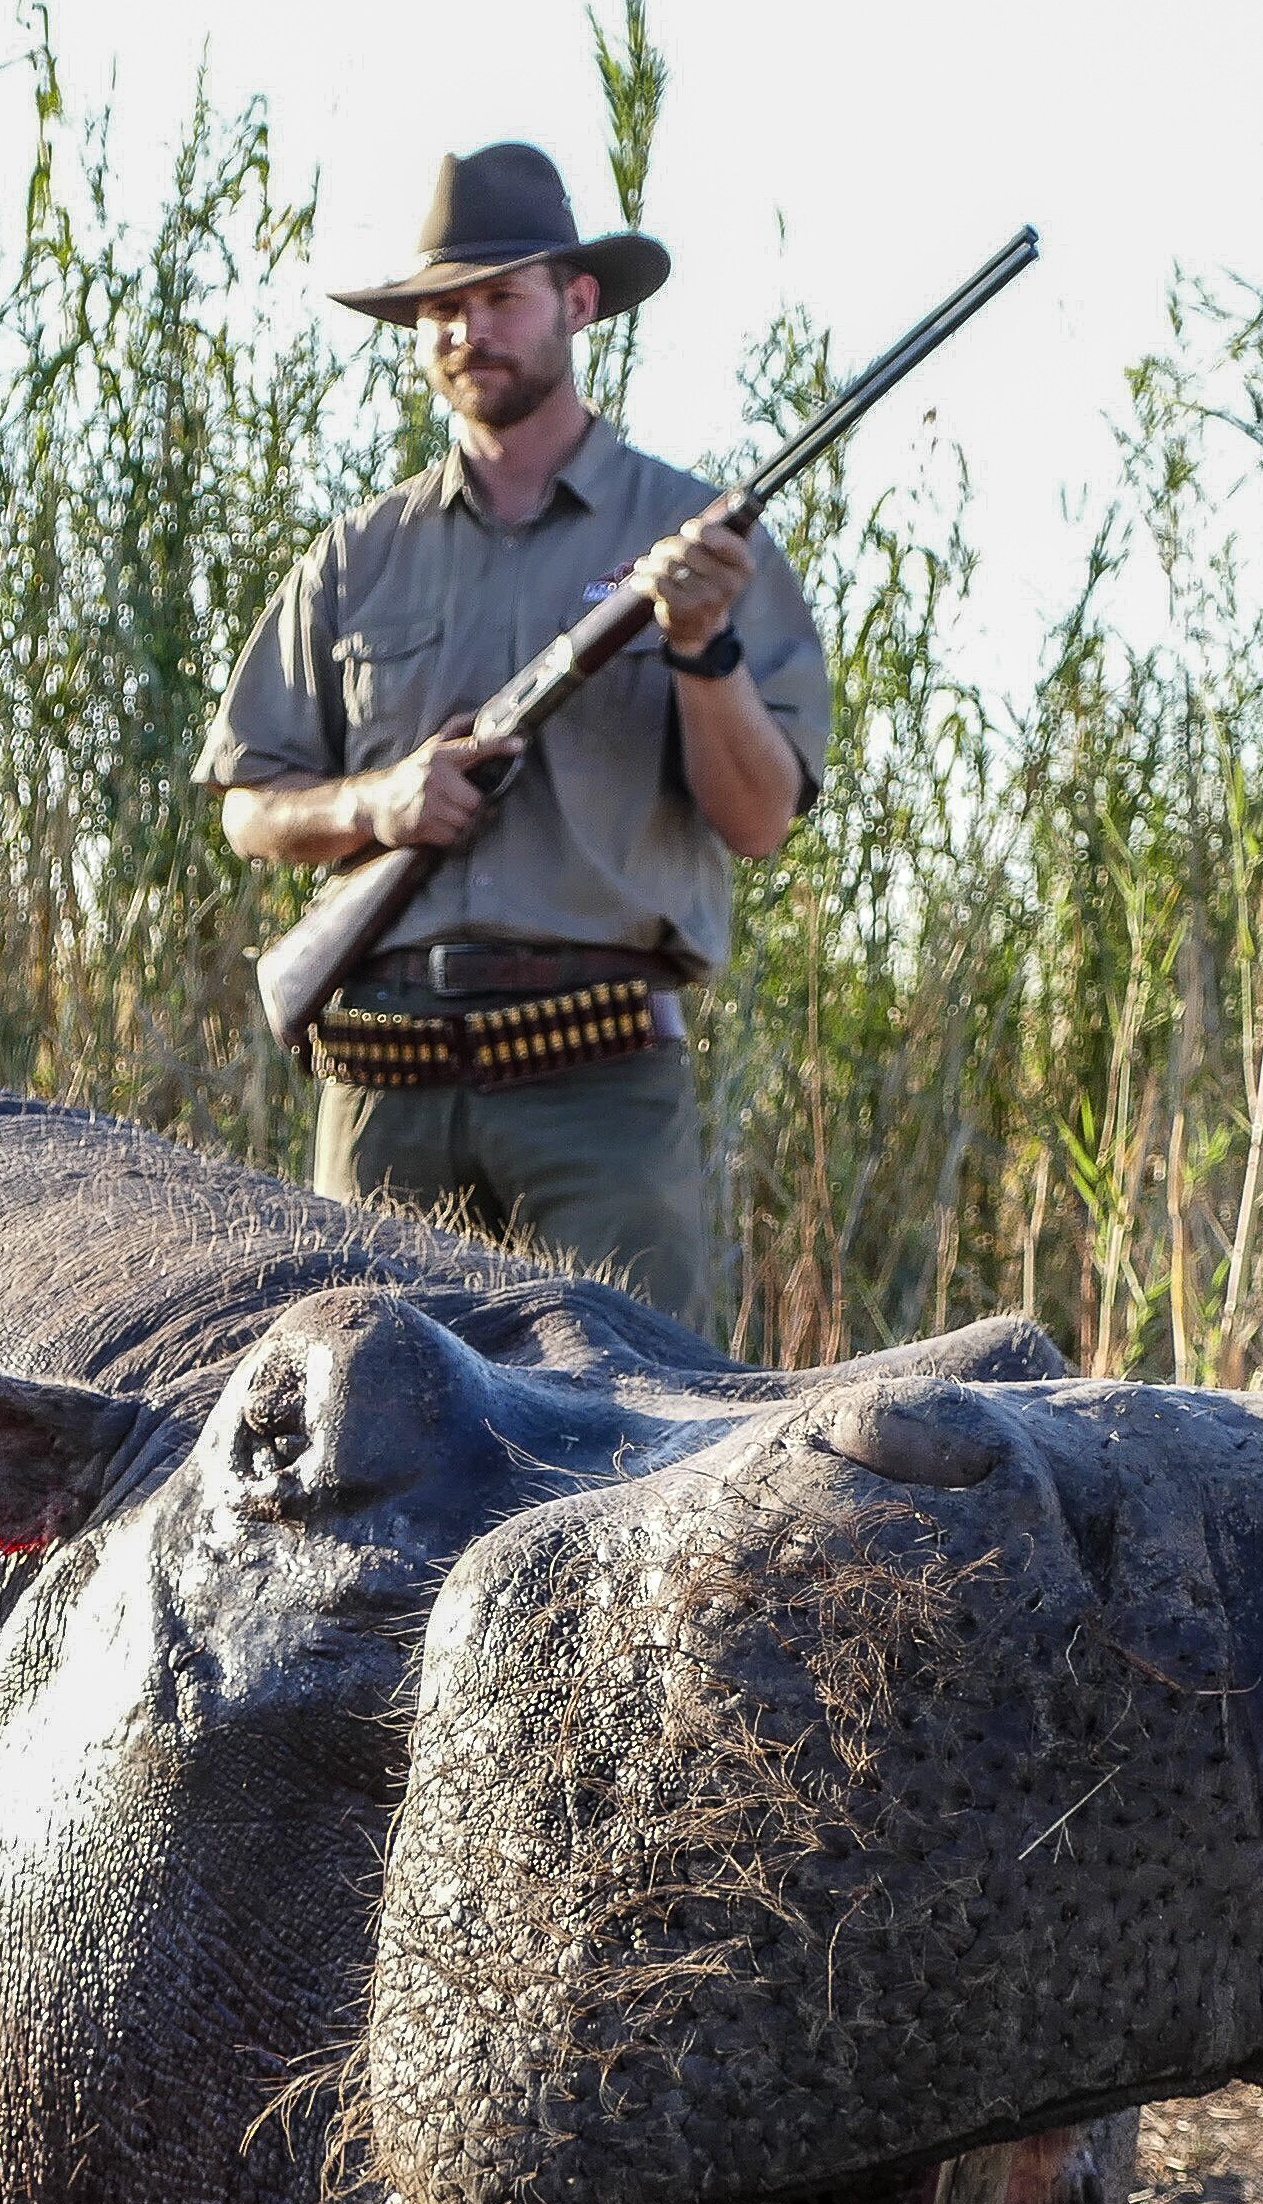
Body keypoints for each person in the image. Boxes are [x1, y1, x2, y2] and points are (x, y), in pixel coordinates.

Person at [199, 141, 833, 1325]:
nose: (467, 332)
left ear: (577, 302)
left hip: (595, 1076)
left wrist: (701, 643)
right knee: (351, 1450)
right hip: (384, 1075)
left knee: (646, 1443)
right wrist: (377, 804)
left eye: (500, 297)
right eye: (443, 307)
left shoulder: (691, 536)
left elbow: (758, 821)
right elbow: (248, 804)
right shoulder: (356, 557)